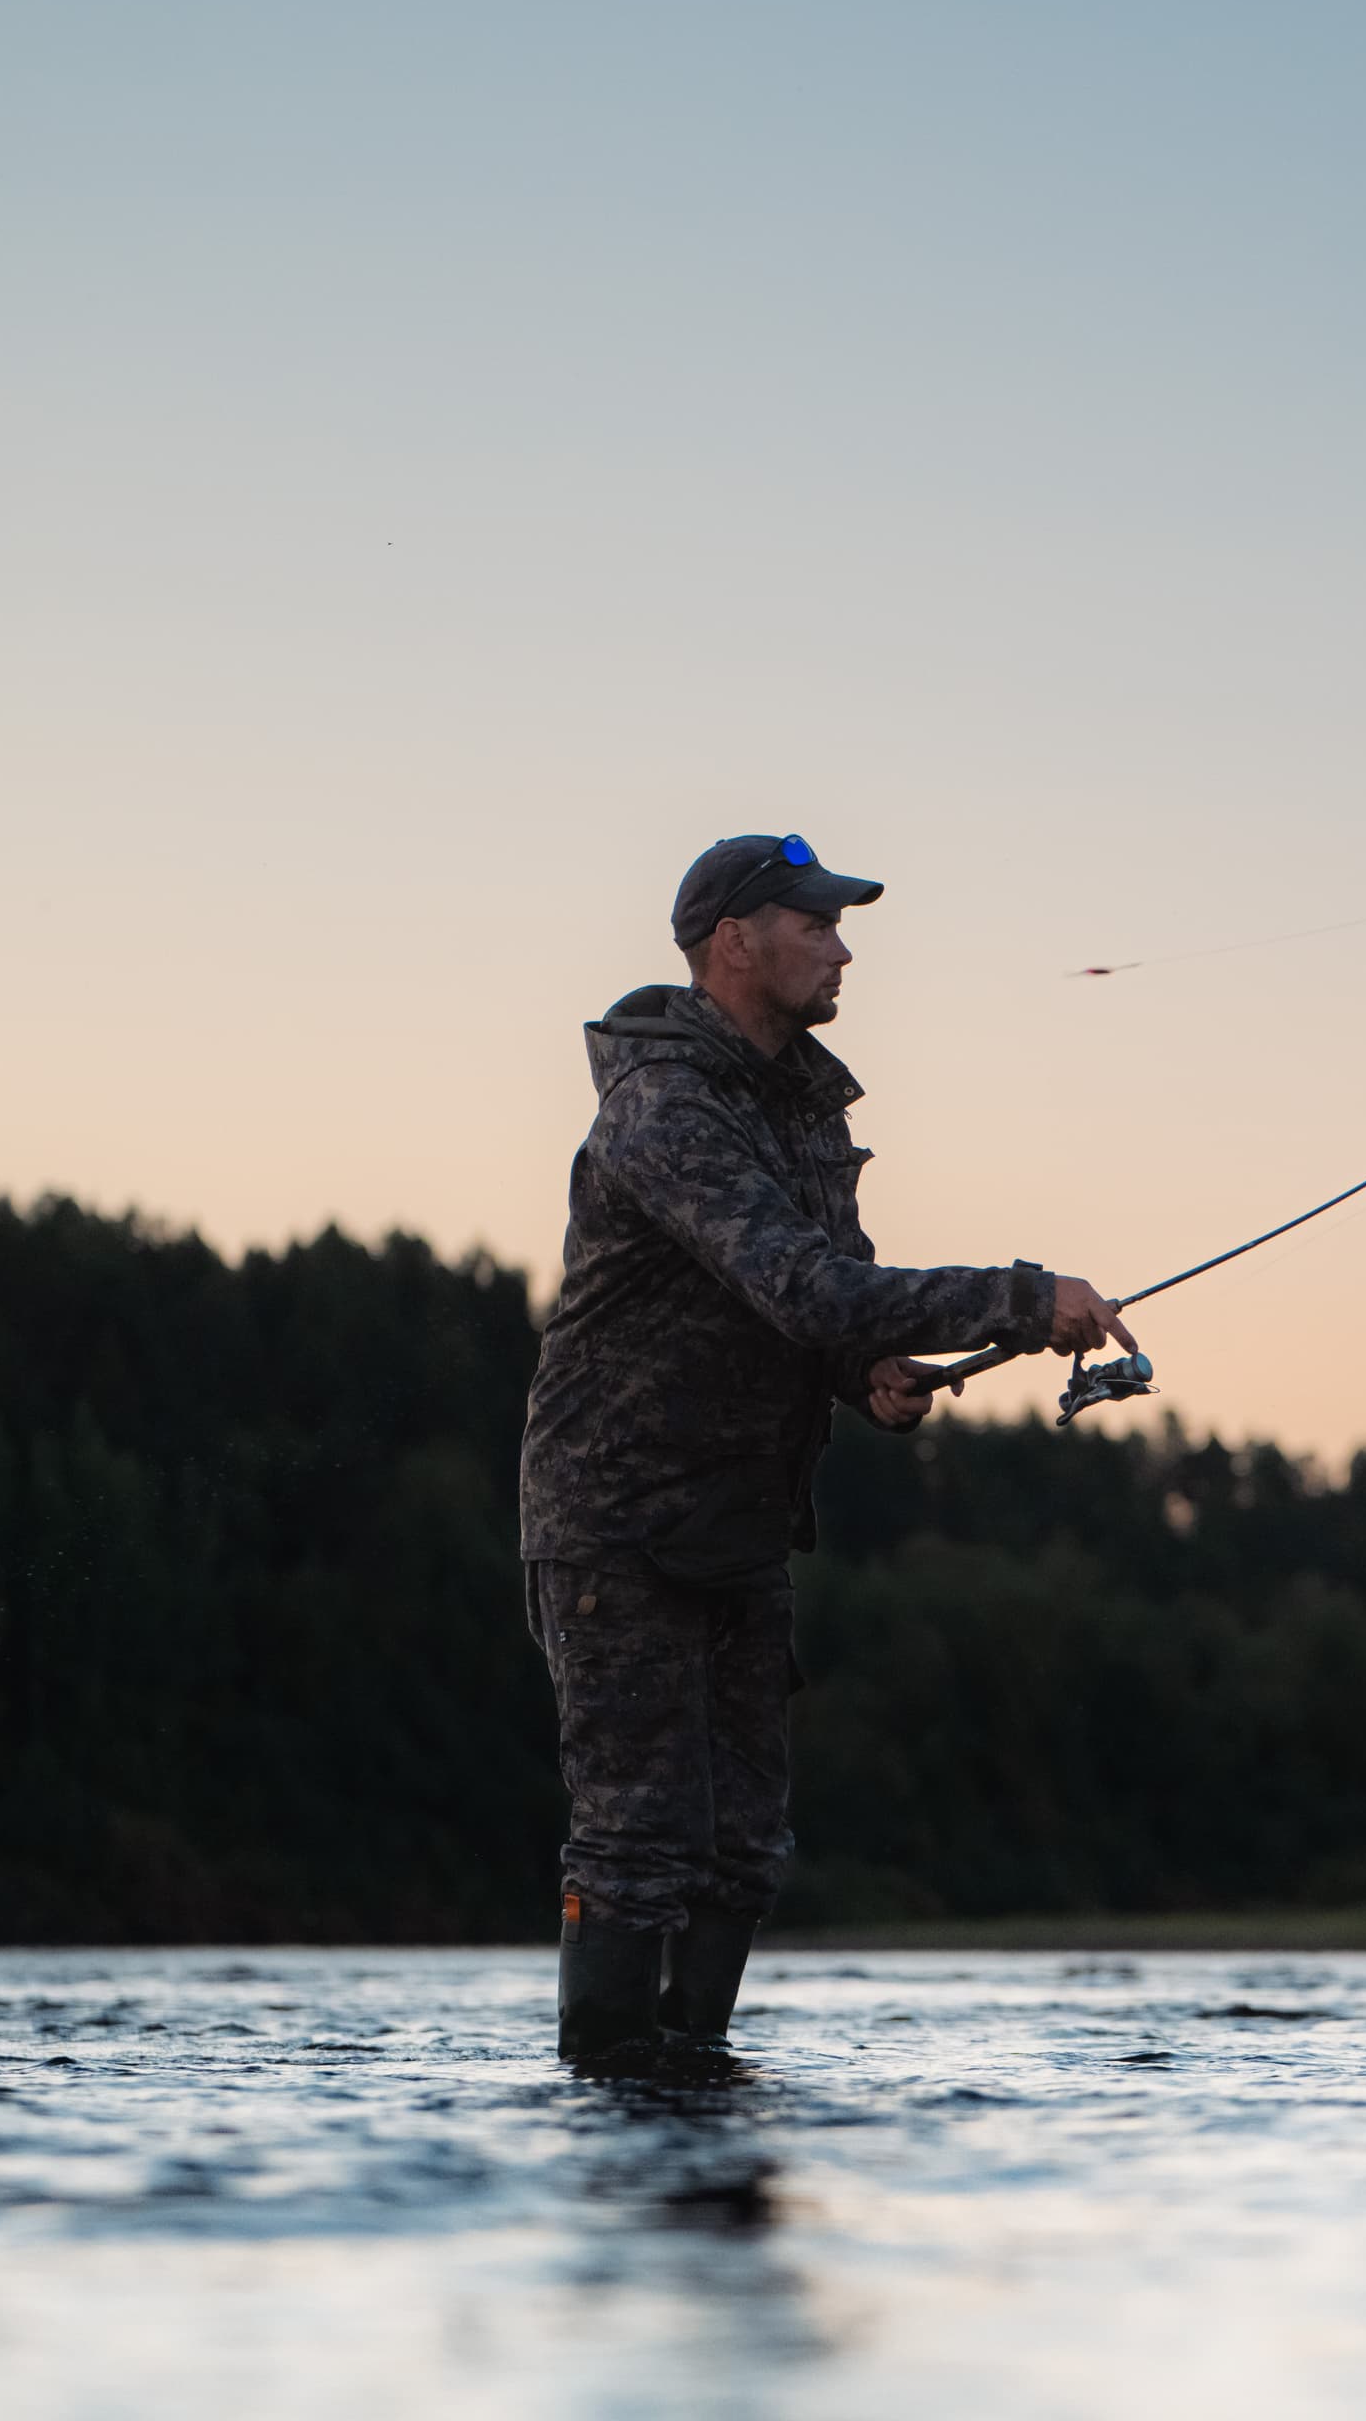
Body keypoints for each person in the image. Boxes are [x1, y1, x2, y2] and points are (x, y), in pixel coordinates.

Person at [516, 831, 1135, 2067]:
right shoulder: (664, 1108)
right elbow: (800, 1282)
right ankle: (612, 2097)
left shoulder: (802, 1106)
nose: (843, 947)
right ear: (733, 943)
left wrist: (865, 1375)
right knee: (639, 1840)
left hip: (740, 1525)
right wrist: (1020, 1300)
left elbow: (824, 1308)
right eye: (816, 924)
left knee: (742, 1844)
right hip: (619, 1523)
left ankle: (689, 2089)